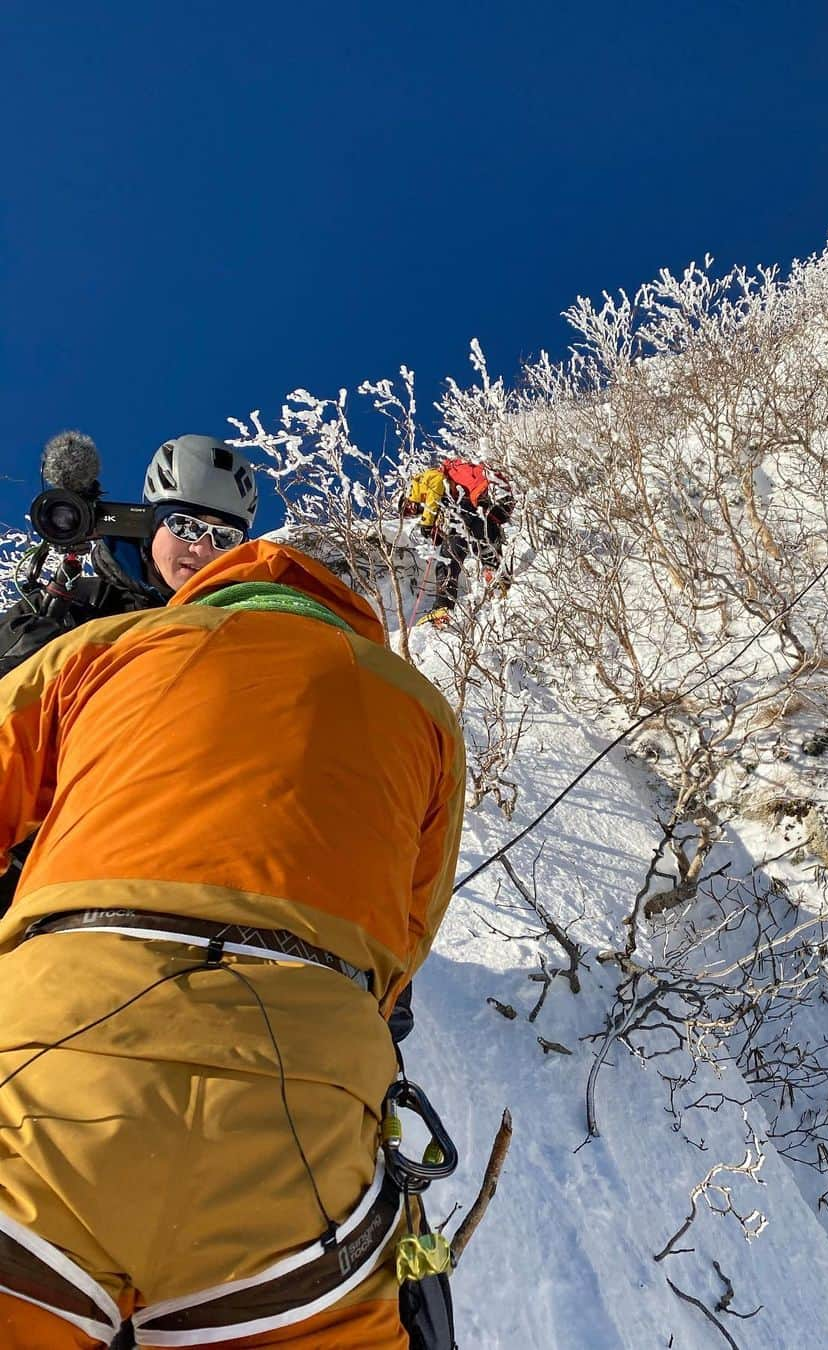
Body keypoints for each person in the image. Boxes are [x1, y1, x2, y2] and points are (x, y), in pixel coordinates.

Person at [0, 537, 465, 1349]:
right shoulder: (419, 707)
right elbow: (407, 934)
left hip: (51, 1064)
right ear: (353, 612)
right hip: (304, 1127)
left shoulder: (106, 648)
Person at [0, 434, 258, 909]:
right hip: (35, 849)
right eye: (183, 525)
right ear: (148, 523)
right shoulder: (70, 605)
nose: (201, 548)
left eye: (224, 536)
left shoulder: (242, 633)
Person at [403, 458, 514, 626]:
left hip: (467, 505)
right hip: (478, 504)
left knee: (448, 558)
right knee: (483, 540)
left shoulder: (422, 480)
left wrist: (427, 522)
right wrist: (436, 529)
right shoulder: (451, 488)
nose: (414, 511)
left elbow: (436, 483)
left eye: (410, 508)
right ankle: (498, 579)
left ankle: (443, 607)